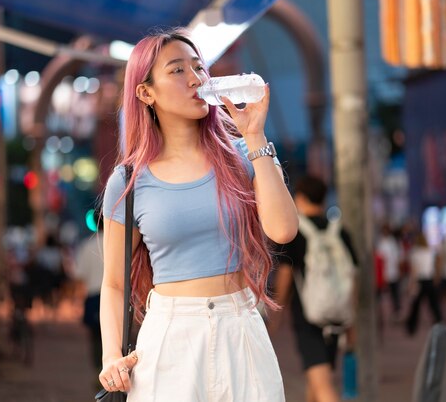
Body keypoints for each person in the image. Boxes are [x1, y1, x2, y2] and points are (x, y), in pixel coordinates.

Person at [100, 28, 298, 401]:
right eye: (177, 71)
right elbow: (113, 283)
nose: (195, 79)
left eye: (198, 68)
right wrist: (111, 355)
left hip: (241, 327)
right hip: (170, 336)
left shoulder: (245, 156)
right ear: (146, 93)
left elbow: (284, 230)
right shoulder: (129, 181)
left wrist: (255, 136)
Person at [271, 175, 358, 402]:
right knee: (317, 379)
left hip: (308, 317)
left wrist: (276, 314)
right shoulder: (340, 232)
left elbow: (285, 275)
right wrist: (351, 320)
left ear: (299, 198)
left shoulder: (294, 231)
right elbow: (352, 276)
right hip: (337, 316)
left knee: (322, 385)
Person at [72, 225, 105, 385]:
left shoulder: (88, 245)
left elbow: (79, 276)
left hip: (93, 297)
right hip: (118, 296)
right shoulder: (122, 242)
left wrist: (78, 300)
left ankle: (99, 370)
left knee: (95, 336)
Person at [405, 232, 442, 336]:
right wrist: (437, 277)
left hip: (420, 281)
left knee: (415, 306)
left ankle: (411, 327)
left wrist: (411, 284)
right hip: (429, 280)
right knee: (434, 305)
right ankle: (440, 324)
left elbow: (414, 271)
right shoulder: (430, 251)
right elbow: (436, 264)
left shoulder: (414, 253)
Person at [375, 223, 403, 322]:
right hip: (383, 274)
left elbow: (397, 257)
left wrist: (398, 270)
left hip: (392, 273)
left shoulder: (392, 242)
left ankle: (396, 313)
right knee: (382, 296)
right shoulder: (380, 242)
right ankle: (382, 315)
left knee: (395, 295)